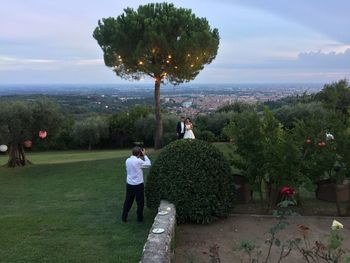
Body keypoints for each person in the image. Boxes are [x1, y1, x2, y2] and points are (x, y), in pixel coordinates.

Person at [122, 146, 151, 223]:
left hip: (129, 184)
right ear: (139, 153)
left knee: (128, 201)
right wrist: (144, 155)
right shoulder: (138, 161)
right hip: (138, 185)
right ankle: (139, 219)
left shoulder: (127, 160)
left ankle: (124, 217)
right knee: (140, 202)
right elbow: (148, 164)